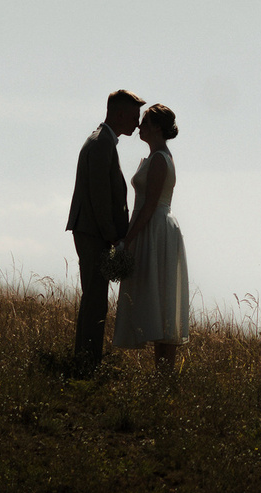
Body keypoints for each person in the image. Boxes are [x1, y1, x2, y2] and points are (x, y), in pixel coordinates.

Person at [64, 89, 143, 374]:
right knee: (95, 300)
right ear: (119, 114)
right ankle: (87, 364)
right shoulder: (101, 143)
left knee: (94, 298)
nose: (137, 123)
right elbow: (99, 195)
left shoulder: (104, 141)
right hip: (93, 232)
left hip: (92, 230)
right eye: (133, 117)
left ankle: (85, 360)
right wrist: (112, 235)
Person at [112, 103, 191, 370]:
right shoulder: (154, 157)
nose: (139, 127)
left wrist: (128, 240)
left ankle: (164, 372)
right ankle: (162, 372)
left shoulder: (159, 159)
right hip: (151, 226)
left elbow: (149, 206)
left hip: (155, 229)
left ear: (157, 128)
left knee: (161, 296)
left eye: (145, 122)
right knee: (155, 296)